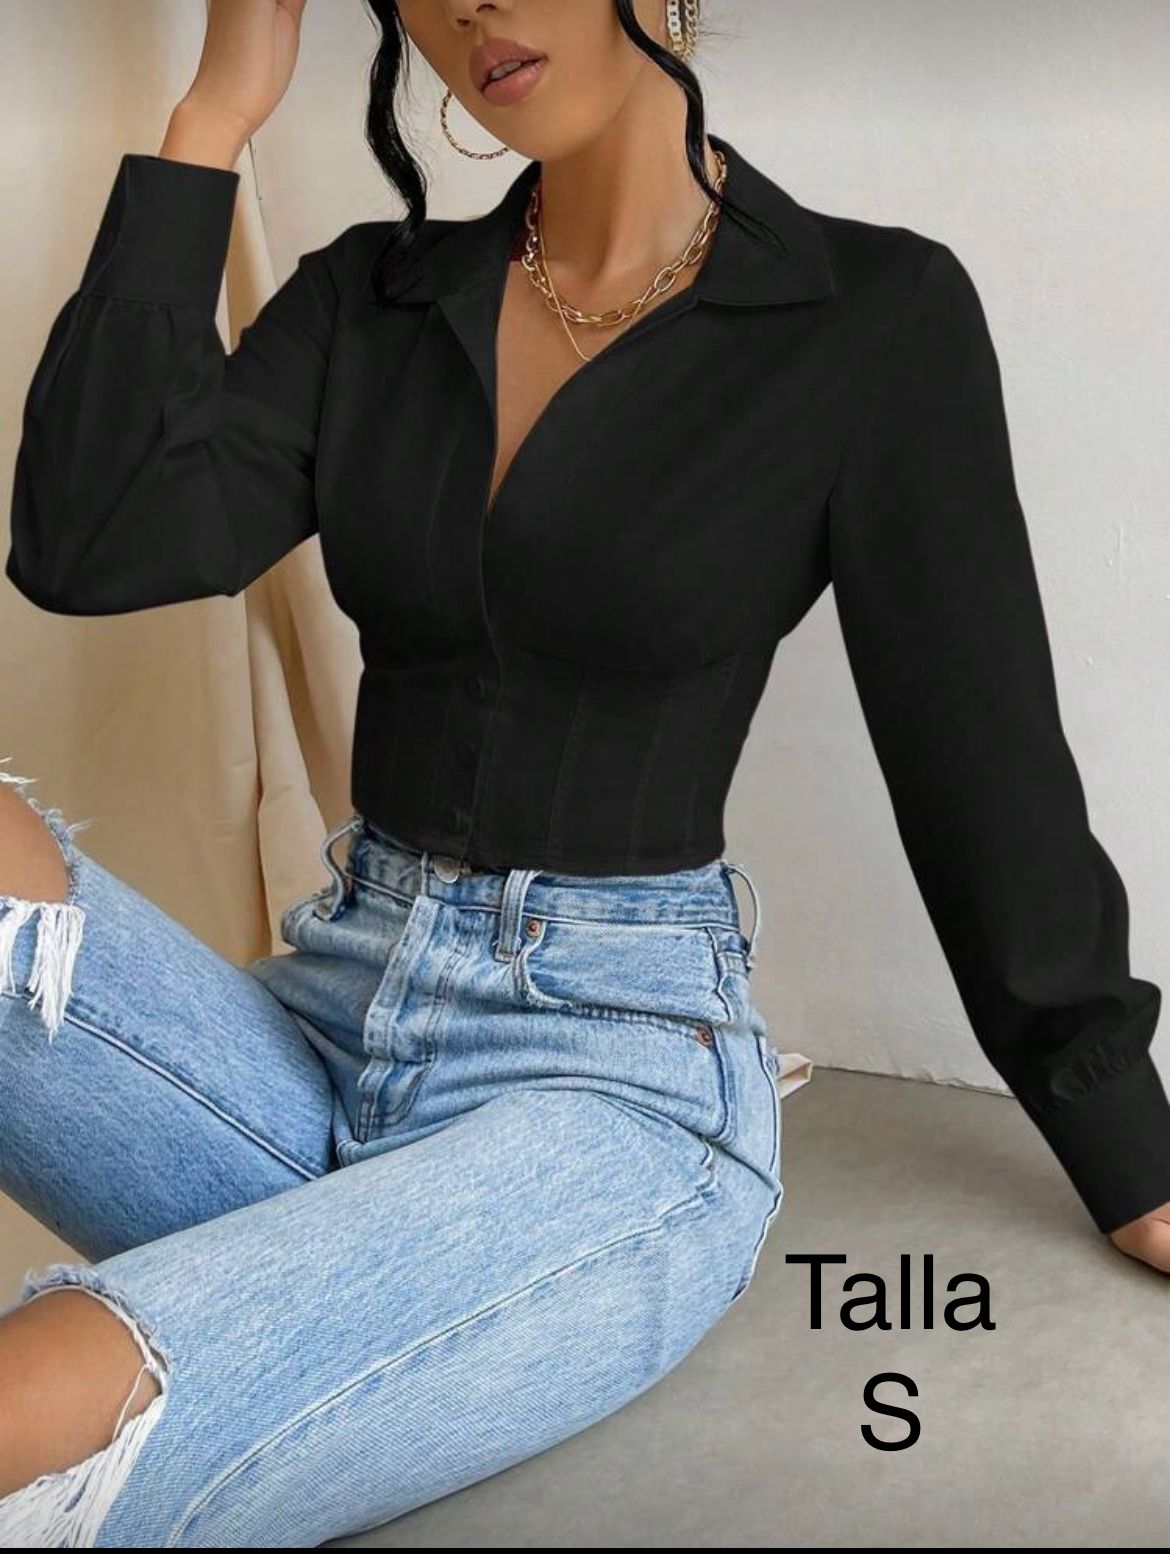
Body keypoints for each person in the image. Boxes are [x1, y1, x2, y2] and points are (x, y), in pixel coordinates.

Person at [1, 0, 1167, 1543]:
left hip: (608, 1080)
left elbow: (978, 753)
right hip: (322, 1027)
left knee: (32, 1404)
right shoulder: (371, 300)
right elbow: (89, 542)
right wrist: (214, 113)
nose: (466, 8)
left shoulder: (867, 316)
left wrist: (1124, 1148)